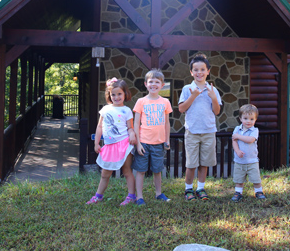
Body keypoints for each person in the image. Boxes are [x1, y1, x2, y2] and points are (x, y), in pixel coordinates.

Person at [86, 78, 137, 206]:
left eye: (119, 94)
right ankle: (98, 196)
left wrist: (132, 134)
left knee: (127, 171)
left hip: (124, 144)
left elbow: (130, 127)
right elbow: (99, 127)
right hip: (109, 146)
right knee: (105, 173)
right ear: (109, 95)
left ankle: (131, 196)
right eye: (113, 94)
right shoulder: (105, 109)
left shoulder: (126, 111)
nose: (116, 97)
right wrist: (96, 143)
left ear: (125, 94)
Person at [178, 53, 222, 201]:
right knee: (191, 164)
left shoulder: (213, 90)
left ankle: (201, 188)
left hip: (209, 131)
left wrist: (213, 98)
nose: (199, 73)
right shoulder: (187, 89)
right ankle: (188, 189)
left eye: (202, 69)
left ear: (208, 71)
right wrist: (193, 96)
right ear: (191, 72)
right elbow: (181, 109)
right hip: (192, 131)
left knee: (205, 163)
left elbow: (217, 111)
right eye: (196, 70)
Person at [132, 69, 173, 205]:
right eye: (151, 82)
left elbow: (167, 122)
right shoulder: (141, 101)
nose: (153, 84)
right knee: (141, 170)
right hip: (143, 142)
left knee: (157, 170)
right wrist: (138, 143)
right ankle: (139, 197)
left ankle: (158, 193)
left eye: (157, 82)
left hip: (159, 143)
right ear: (145, 84)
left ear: (162, 85)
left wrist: (167, 140)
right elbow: (136, 123)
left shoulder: (165, 102)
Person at [230, 104, 266, 202]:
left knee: (255, 178)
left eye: (251, 119)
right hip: (239, 160)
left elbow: (250, 140)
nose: (248, 121)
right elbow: (234, 140)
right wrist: (237, 151)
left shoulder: (254, 130)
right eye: (245, 118)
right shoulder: (237, 129)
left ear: (255, 120)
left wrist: (238, 136)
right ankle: (238, 192)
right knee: (239, 179)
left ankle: (259, 191)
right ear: (240, 119)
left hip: (252, 160)